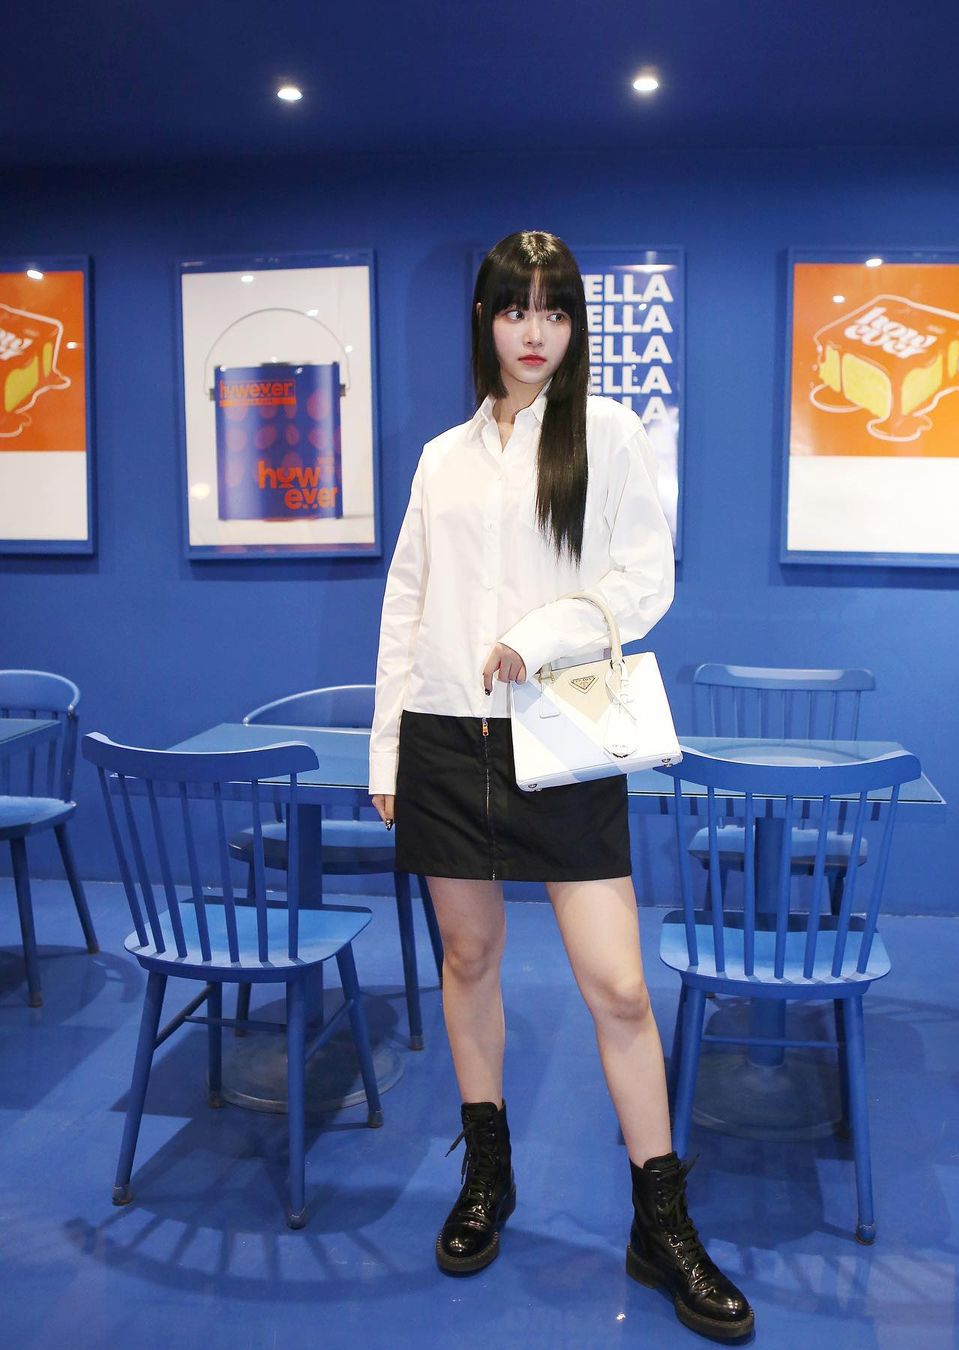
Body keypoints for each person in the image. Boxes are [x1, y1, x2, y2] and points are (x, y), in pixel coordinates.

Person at [369, 231, 753, 1342]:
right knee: (469, 958)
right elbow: (406, 603)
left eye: (554, 310)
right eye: (514, 309)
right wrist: (388, 751)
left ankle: (660, 1223)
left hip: (560, 729)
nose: (534, 332)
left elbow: (645, 578)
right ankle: (486, 1177)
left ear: (576, 325)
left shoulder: (609, 435)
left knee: (619, 986)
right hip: (445, 735)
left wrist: (541, 637)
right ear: (484, 320)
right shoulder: (442, 459)